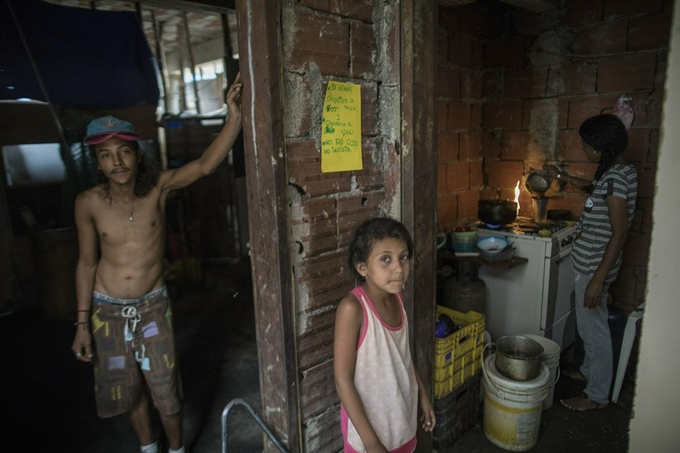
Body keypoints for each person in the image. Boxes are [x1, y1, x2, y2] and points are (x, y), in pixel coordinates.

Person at [70, 73, 243, 453]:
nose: (117, 162)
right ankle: (149, 449)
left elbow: (205, 166)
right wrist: (82, 324)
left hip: (152, 307)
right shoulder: (89, 202)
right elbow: (86, 263)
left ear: (137, 152)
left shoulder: (159, 188)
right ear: (97, 162)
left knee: (165, 390)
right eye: (106, 155)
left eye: (124, 151)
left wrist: (234, 118)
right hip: (106, 311)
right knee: (128, 392)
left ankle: (177, 450)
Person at [545, 114, 638, 412]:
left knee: (594, 332)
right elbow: (595, 191)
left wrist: (598, 279)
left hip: (595, 267)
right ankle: (588, 373)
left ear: (599, 148)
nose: (584, 150)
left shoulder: (617, 177)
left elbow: (620, 230)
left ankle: (596, 396)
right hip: (591, 264)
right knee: (589, 327)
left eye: (586, 146)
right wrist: (561, 177)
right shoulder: (619, 172)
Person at [334, 217, 436, 453]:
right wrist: (372, 444)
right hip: (368, 435)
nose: (399, 268)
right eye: (385, 259)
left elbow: (404, 357)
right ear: (362, 268)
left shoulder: (397, 299)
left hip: (402, 421)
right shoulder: (353, 309)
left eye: (404, 256)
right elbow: (342, 380)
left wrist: (422, 395)